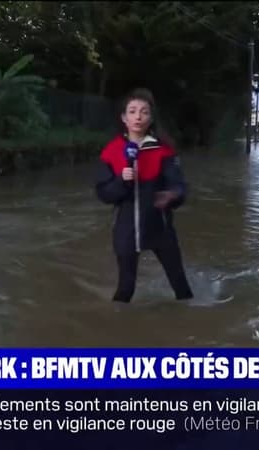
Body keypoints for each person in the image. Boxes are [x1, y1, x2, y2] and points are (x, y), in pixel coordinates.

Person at [94, 88, 194, 303]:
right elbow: (103, 193)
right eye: (132, 111)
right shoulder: (111, 152)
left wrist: (172, 195)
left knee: (182, 289)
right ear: (124, 117)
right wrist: (122, 181)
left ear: (151, 118)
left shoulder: (164, 151)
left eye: (144, 112)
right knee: (125, 290)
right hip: (126, 229)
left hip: (161, 227)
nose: (138, 117)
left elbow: (180, 186)